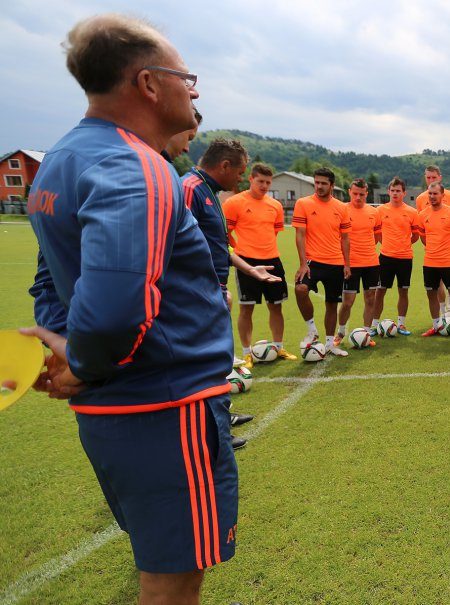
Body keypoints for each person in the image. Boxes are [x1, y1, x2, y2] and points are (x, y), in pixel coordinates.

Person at [24, 14, 237, 603]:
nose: (194, 91)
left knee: (164, 564)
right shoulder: (134, 165)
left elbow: (48, 276)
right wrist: (84, 359)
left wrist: (71, 350)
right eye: (186, 77)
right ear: (148, 83)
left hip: (119, 408)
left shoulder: (63, 157)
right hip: (166, 405)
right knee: (173, 581)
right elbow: (117, 310)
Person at [182, 137, 281, 445]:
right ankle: (212, 433)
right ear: (224, 165)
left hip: (214, 289)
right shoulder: (190, 189)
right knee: (205, 362)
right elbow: (177, 244)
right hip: (199, 292)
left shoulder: (209, 191)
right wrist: (206, 287)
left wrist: (249, 269)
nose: (241, 178)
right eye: (239, 172)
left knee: (218, 359)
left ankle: (220, 417)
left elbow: (218, 246)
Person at [223, 164, 297, 365]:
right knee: (246, 308)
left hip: (273, 261)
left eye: (268, 182)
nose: (264, 186)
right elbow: (225, 233)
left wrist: (264, 250)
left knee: (276, 306)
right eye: (260, 181)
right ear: (251, 179)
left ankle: (279, 347)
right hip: (247, 262)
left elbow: (273, 232)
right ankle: (247, 352)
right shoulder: (234, 202)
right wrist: (240, 251)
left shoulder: (276, 205)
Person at [293, 168, 352, 357]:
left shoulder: (342, 208)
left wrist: (347, 264)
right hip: (312, 262)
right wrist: (303, 263)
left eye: (323, 183)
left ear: (332, 185)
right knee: (300, 289)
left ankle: (329, 344)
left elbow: (345, 238)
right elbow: (300, 235)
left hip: (335, 263)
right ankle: (312, 330)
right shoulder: (303, 203)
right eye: (316, 182)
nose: (319, 186)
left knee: (332, 304)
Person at [372, 177, 421, 335]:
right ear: (388, 192)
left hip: (405, 258)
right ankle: (374, 325)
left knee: (403, 291)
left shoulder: (412, 212)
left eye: (398, 191)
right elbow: (377, 233)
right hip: (385, 257)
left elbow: (416, 235)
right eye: (392, 190)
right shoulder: (380, 210)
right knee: (380, 291)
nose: (395, 193)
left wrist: (404, 244)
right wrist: (388, 244)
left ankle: (401, 324)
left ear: (404, 193)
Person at [336, 178, 381, 345]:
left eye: (361, 194)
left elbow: (376, 236)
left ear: (366, 194)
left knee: (370, 299)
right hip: (350, 264)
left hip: (371, 263)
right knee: (348, 302)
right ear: (349, 192)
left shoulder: (374, 212)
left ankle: (366, 333)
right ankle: (340, 333)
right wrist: (345, 262)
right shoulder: (342, 210)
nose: (358, 197)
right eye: (355, 193)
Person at [418, 182, 450, 339]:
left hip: (448, 261)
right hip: (429, 262)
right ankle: (436, 325)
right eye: (429, 194)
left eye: (435, 193)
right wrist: (433, 249)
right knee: (431, 294)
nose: (431, 196)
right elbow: (423, 238)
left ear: (443, 195)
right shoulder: (423, 215)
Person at [415, 165, 450, 320]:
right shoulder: (421, 199)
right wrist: (431, 246)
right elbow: (422, 227)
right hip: (432, 252)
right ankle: (442, 312)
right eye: (428, 177)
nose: (430, 180)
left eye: (433, 177)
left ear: (440, 177)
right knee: (436, 284)